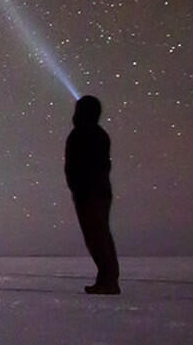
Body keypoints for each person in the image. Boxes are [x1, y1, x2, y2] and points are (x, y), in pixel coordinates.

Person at [64, 94, 120, 294]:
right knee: (100, 235)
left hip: (89, 193)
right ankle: (107, 278)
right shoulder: (98, 134)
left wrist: (79, 187)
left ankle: (108, 280)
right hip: (96, 191)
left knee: (97, 236)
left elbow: (80, 166)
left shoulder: (84, 134)